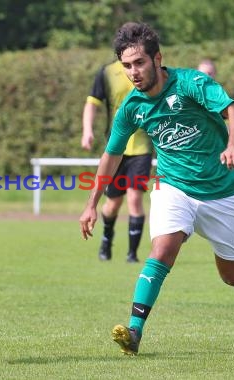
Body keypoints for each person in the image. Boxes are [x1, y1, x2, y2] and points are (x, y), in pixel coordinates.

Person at [79, 22, 234, 356]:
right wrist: (91, 203)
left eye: (139, 63)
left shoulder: (191, 83)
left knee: (229, 273)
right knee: (162, 251)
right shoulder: (132, 107)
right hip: (173, 187)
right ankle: (133, 332)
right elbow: (111, 156)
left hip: (222, 192)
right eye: (127, 66)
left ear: (157, 58)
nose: (133, 72)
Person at [81, 61, 153, 263]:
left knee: (134, 199)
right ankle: (106, 240)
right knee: (112, 204)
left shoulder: (150, 71)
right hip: (116, 147)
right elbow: (92, 102)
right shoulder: (107, 72)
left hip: (142, 148)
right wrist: (87, 130)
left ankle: (132, 254)